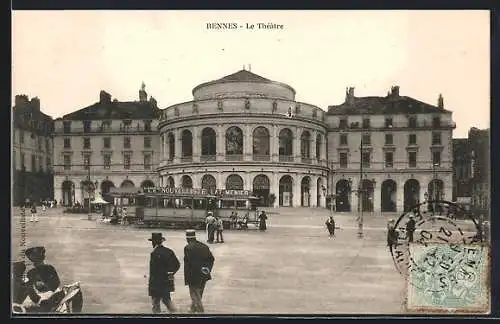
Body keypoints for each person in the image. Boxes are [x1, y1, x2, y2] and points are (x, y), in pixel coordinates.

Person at [147, 233, 180, 314]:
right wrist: (171, 273)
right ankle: (176, 314)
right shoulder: (169, 251)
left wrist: (151, 283)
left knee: (155, 302)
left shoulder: (154, 253)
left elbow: (153, 271)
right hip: (167, 280)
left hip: (156, 282)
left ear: (153, 242)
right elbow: (177, 264)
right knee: (167, 300)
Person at [184, 229, 215, 314]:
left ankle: (201, 313)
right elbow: (211, 259)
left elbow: (190, 264)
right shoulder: (204, 246)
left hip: (193, 276)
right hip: (204, 275)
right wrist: (207, 269)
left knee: (195, 295)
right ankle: (192, 309)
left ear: (187, 238)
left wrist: (188, 279)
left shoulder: (188, 248)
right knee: (199, 294)